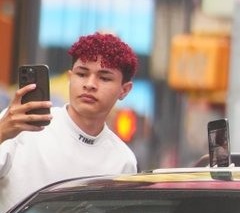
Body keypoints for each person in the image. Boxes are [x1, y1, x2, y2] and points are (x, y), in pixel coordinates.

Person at [0, 32, 139, 212]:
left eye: (104, 78)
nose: (90, 84)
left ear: (125, 90)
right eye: (82, 74)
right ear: (70, 77)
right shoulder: (20, 125)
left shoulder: (123, 160)